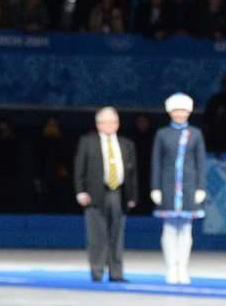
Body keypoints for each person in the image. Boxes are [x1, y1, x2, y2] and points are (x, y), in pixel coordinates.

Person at [74, 107, 138, 283]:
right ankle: (97, 272)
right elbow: (80, 169)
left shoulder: (126, 144)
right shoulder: (88, 142)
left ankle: (116, 273)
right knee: (97, 235)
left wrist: (132, 196)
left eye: (113, 122)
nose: (110, 125)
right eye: (106, 122)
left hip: (119, 194)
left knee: (117, 235)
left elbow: (132, 173)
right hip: (95, 194)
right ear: (98, 124)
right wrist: (80, 192)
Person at [150, 93, 208, 285]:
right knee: (169, 229)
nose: (180, 114)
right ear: (170, 112)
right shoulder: (162, 134)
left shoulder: (196, 134)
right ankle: (170, 268)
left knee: (185, 230)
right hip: (168, 187)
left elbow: (201, 163)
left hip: (189, 187)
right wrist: (155, 187)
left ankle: (182, 268)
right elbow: (156, 162)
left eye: (183, 110)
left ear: (189, 112)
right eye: (176, 110)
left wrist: (200, 187)